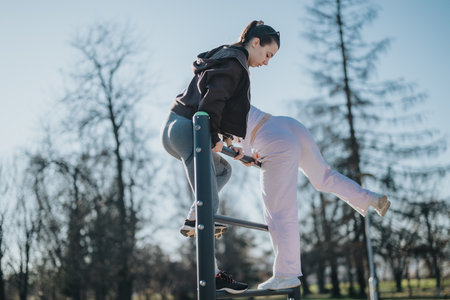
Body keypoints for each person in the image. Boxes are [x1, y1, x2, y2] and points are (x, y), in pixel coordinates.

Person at [161, 21, 280, 294]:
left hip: (176, 126)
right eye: (268, 55)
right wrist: (212, 136)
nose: (267, 62)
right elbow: (213, 100)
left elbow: (216, 101)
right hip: (188, 128)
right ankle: (212, 273)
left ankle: (195, 216)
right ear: (256, 43)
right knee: (208, 203)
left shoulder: (228, 58)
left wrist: (226, 141)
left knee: (223, 171)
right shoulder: (234, 63)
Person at [229, 105, 391, 290]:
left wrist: (246, 153)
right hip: (286, 124)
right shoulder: (231, 90)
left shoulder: (214, 108)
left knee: (278, 210)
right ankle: (371, 198)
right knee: (324, 177)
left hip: (270, 139)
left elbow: (245, 144)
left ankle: (286, 273)